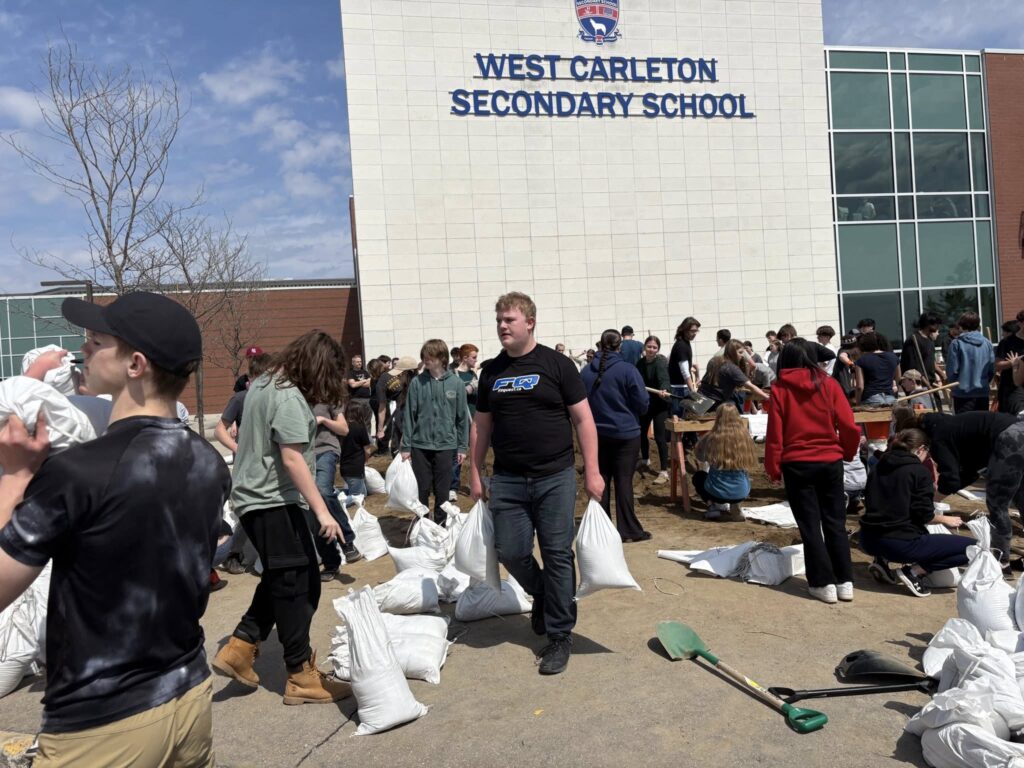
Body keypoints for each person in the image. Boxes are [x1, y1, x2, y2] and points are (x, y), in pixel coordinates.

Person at [0, 292, 230, 765]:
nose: (82, 349)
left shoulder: (82, 470)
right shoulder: (207, 462)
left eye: (96, 341)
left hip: (103, 725)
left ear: (135, 364)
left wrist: (16, 477)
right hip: (189, 698)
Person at [212, 330, 351, 706]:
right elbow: (292, 459)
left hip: (256, 499)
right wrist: (323, 512)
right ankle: (300, 673)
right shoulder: (288, 397)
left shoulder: (265, 382)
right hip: (272, 500)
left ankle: (240, 647)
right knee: (299, 587)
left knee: (285, 577)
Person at [470, 292, 604, 676]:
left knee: (558, 552)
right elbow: (482, 426)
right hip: (509, 479)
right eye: (499, 320)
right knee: (509, 550)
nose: (502, 326)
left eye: (509, 319)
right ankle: (544, 591)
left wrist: (591, 471)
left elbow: (583, 420)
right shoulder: (491, 372)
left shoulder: (557, 365)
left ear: (530, 321)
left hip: (555, 476)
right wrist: (475, 473)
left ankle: (560, 635)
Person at [765, 338, 860, 604]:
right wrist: (848, 452)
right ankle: (845, 581)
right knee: (835, 523)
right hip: (830, 460)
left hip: (797, 464)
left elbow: (775, 433)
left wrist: (773, 468)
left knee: (810, 526)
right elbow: (850, 427)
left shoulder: (780, 388)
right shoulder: (829, 384)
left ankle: (822, 583)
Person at [893, 405, 1024, 567]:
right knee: (1021, 498)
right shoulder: (951, 427)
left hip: (1012, 438)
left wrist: (933, 500)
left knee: (998, 503)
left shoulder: (939, 437)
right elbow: (969, 473)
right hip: (1018, 430)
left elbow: (951, 479)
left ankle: (1000, 561)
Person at [860, 429, 973, 598]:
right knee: (975, 548)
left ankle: (881, 560)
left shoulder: (878, 465)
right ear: (920, 449)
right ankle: (914, 571)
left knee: (892, 520)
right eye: (927, 452)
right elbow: (924, 515)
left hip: (867, 539)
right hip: (899, 543)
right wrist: (945, 519)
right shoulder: (919, 472)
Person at [581, 330, 651, 542]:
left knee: (600, 479)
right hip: (625, 433)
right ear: (619, 346)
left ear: (600, 345)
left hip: (596, 433)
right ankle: (629, 530)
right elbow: (642, 403)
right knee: (623, 482)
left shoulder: (585, 372)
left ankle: (602, 529)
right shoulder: (627, 370)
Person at [401, 340, 469, 524]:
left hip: (446, 445)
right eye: (424, 356)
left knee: (443, 491)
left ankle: (440, 527)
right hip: (420, 445)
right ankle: (421, 525)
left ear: (441, 358)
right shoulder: (417, 383)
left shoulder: (456, 384)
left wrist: (462, 447)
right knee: (421, 489)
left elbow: (462, 418)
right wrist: (405, 446)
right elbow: (409, 416)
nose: (425, 360)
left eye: (429, 356)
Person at [311, 399, 361, 581]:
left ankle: (347, 541)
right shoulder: (292, 395)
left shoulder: (327, 396)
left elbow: (344, 429)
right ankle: (331, 562)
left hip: (325, 451)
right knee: (312, 508)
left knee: (322, 491)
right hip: (301, 455)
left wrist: (323, 421)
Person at [692, 404, 756, 520]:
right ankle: (735, 505)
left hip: (716, 492)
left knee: (698, 477)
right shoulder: (745, 437)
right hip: (741, 492)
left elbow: (700, 457)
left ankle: (713, 507)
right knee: (742, 474)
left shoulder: (711, 437)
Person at [636, 335, 671, 483]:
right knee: (641, 432)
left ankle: (664, 471)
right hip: (646, 403)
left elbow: (664, 379)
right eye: (649, 346)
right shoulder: (640, 363)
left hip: (660, 404)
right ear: (645, 347)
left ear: (658, 349)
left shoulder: (660, 363)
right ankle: (645, 459)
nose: (651, 349)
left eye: (654, 347)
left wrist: (663, 390)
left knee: (659, 436)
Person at [697, 340, 768, 411]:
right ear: (732, 352)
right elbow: (751, 387)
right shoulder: (731, 368)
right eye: (740, 352)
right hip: (716, 404)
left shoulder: (713, 360)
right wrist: (767, 397)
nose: (742, 355)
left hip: (701, 400)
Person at [946, 311, 994, 413]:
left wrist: (953, 387)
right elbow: (991, 369)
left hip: (962, 393)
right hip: (982, 392)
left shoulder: (956, 344)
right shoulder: (987, 344)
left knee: (964, 427)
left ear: (961, 325)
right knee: (982, 426)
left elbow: (952, 371)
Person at [450, 343, 479, 500]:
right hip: (459, 420)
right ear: (465, 358)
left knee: (476, 452)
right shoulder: (452, 374)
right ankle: (452, 486)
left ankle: (475, 482)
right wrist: (465, 390)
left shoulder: (473, 375)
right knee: (458, 453)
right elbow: (448, 395)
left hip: (474, 417)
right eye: (474, 357)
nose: (476, 360)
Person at [376, 355, 416, 455]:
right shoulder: (415, 383)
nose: (398, 377)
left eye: (400, 374)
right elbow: (382, 407)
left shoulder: (417, 385)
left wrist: (380, 429)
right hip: (402, 414)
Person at [338, 399, 375, 505]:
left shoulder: (343, 428)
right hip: (355, 468)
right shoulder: (360, 427)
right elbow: (367, 449)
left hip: (345, 466)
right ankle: (334, 499)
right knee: (356, 498)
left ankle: (337, 495)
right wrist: (365, 460)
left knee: (363, 494)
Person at [900, 312, 944, 397]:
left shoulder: (929, 340)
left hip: (930, 383)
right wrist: (927, 385)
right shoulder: (914, 340)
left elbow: (930, 360)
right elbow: (914, 368)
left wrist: (941, 374)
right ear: (928, 325)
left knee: (937, 408)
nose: (938, 327)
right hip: (918, 385)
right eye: (936, 324)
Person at [854, 332, 900, 405]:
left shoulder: (861, 361)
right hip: (890, 398)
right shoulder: (894, 357)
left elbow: (859, 387)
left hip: (871, 398)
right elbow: (898, 379)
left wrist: (858, 402)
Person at [995, 310, 1024, 413]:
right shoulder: (1007, 342)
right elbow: (997, 365)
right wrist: (1013, 363)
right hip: (1012, 389)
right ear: (1020, 323)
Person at [668, 317, 701, 409]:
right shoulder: (682, 345)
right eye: (692, 331)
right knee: (680, 419)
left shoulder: (684, 343)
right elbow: (685, 372)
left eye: (696, 331)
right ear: (684, 330)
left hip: (680, 387)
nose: (695, 334)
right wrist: (693, 391)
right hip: (679, 389)